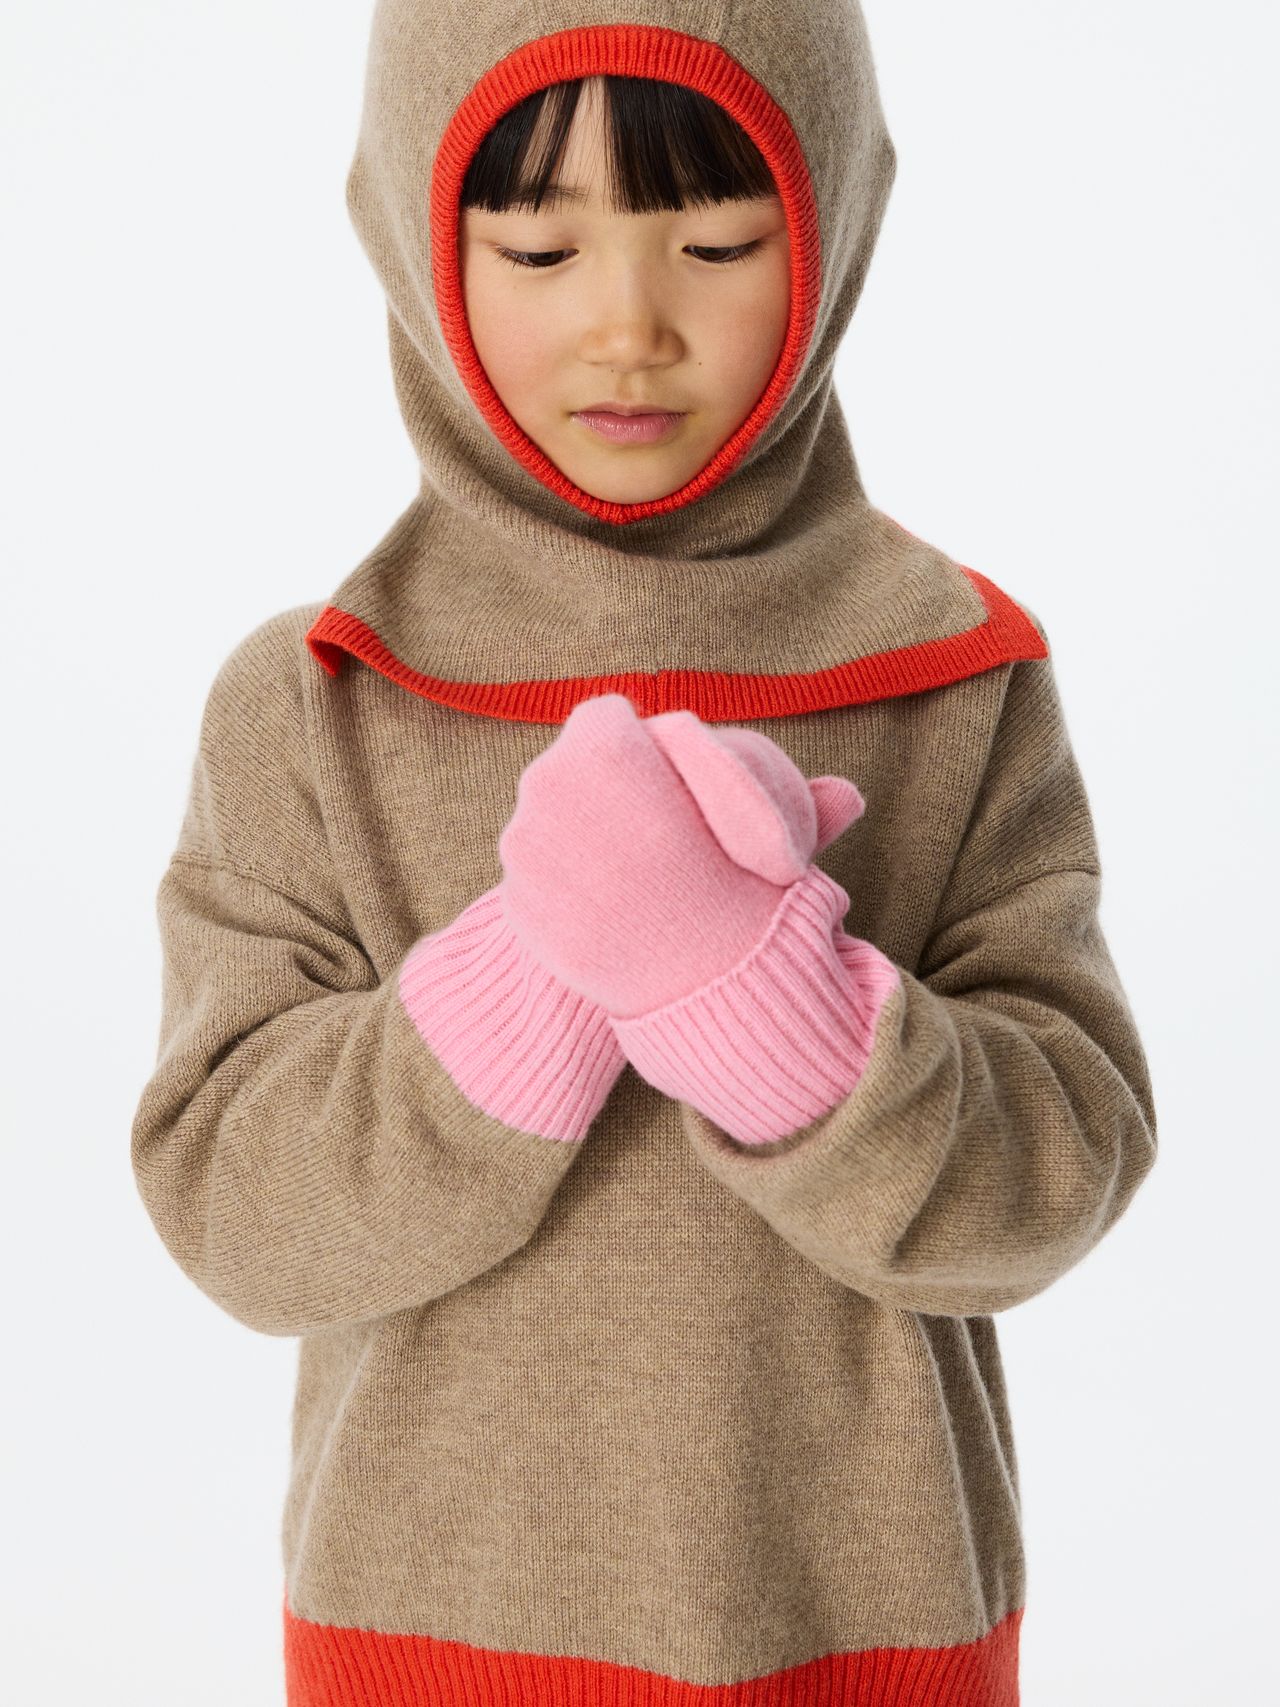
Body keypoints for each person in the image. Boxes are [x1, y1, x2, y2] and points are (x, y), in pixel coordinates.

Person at [129, 1, 1159, 1702]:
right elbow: (232, 1209)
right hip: (425, 1645)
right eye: (540, 245)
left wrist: (778, 1015)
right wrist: (530, 978)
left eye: (717, 239)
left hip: (868, 1640)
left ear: (832, 237)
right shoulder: (316, 699)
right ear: (412, 232)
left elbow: (1055, 1179)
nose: (630, 325)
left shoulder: (959, 673)